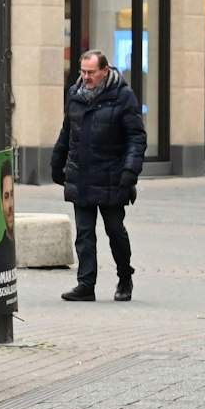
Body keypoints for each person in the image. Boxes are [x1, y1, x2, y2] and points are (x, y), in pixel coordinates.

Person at [51, 49, 147, 302]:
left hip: (112, 176)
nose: (85, 77)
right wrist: (56, 162)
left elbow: (136, 138)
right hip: (81, 174)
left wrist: (130, 171)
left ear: (105, 71)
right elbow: (67, 130)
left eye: (91, 72)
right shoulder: (75, 94)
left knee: (115, 230)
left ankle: (125, 277)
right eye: (82, 72)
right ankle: (86, 284)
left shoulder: (122, 96)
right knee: (84, 233)